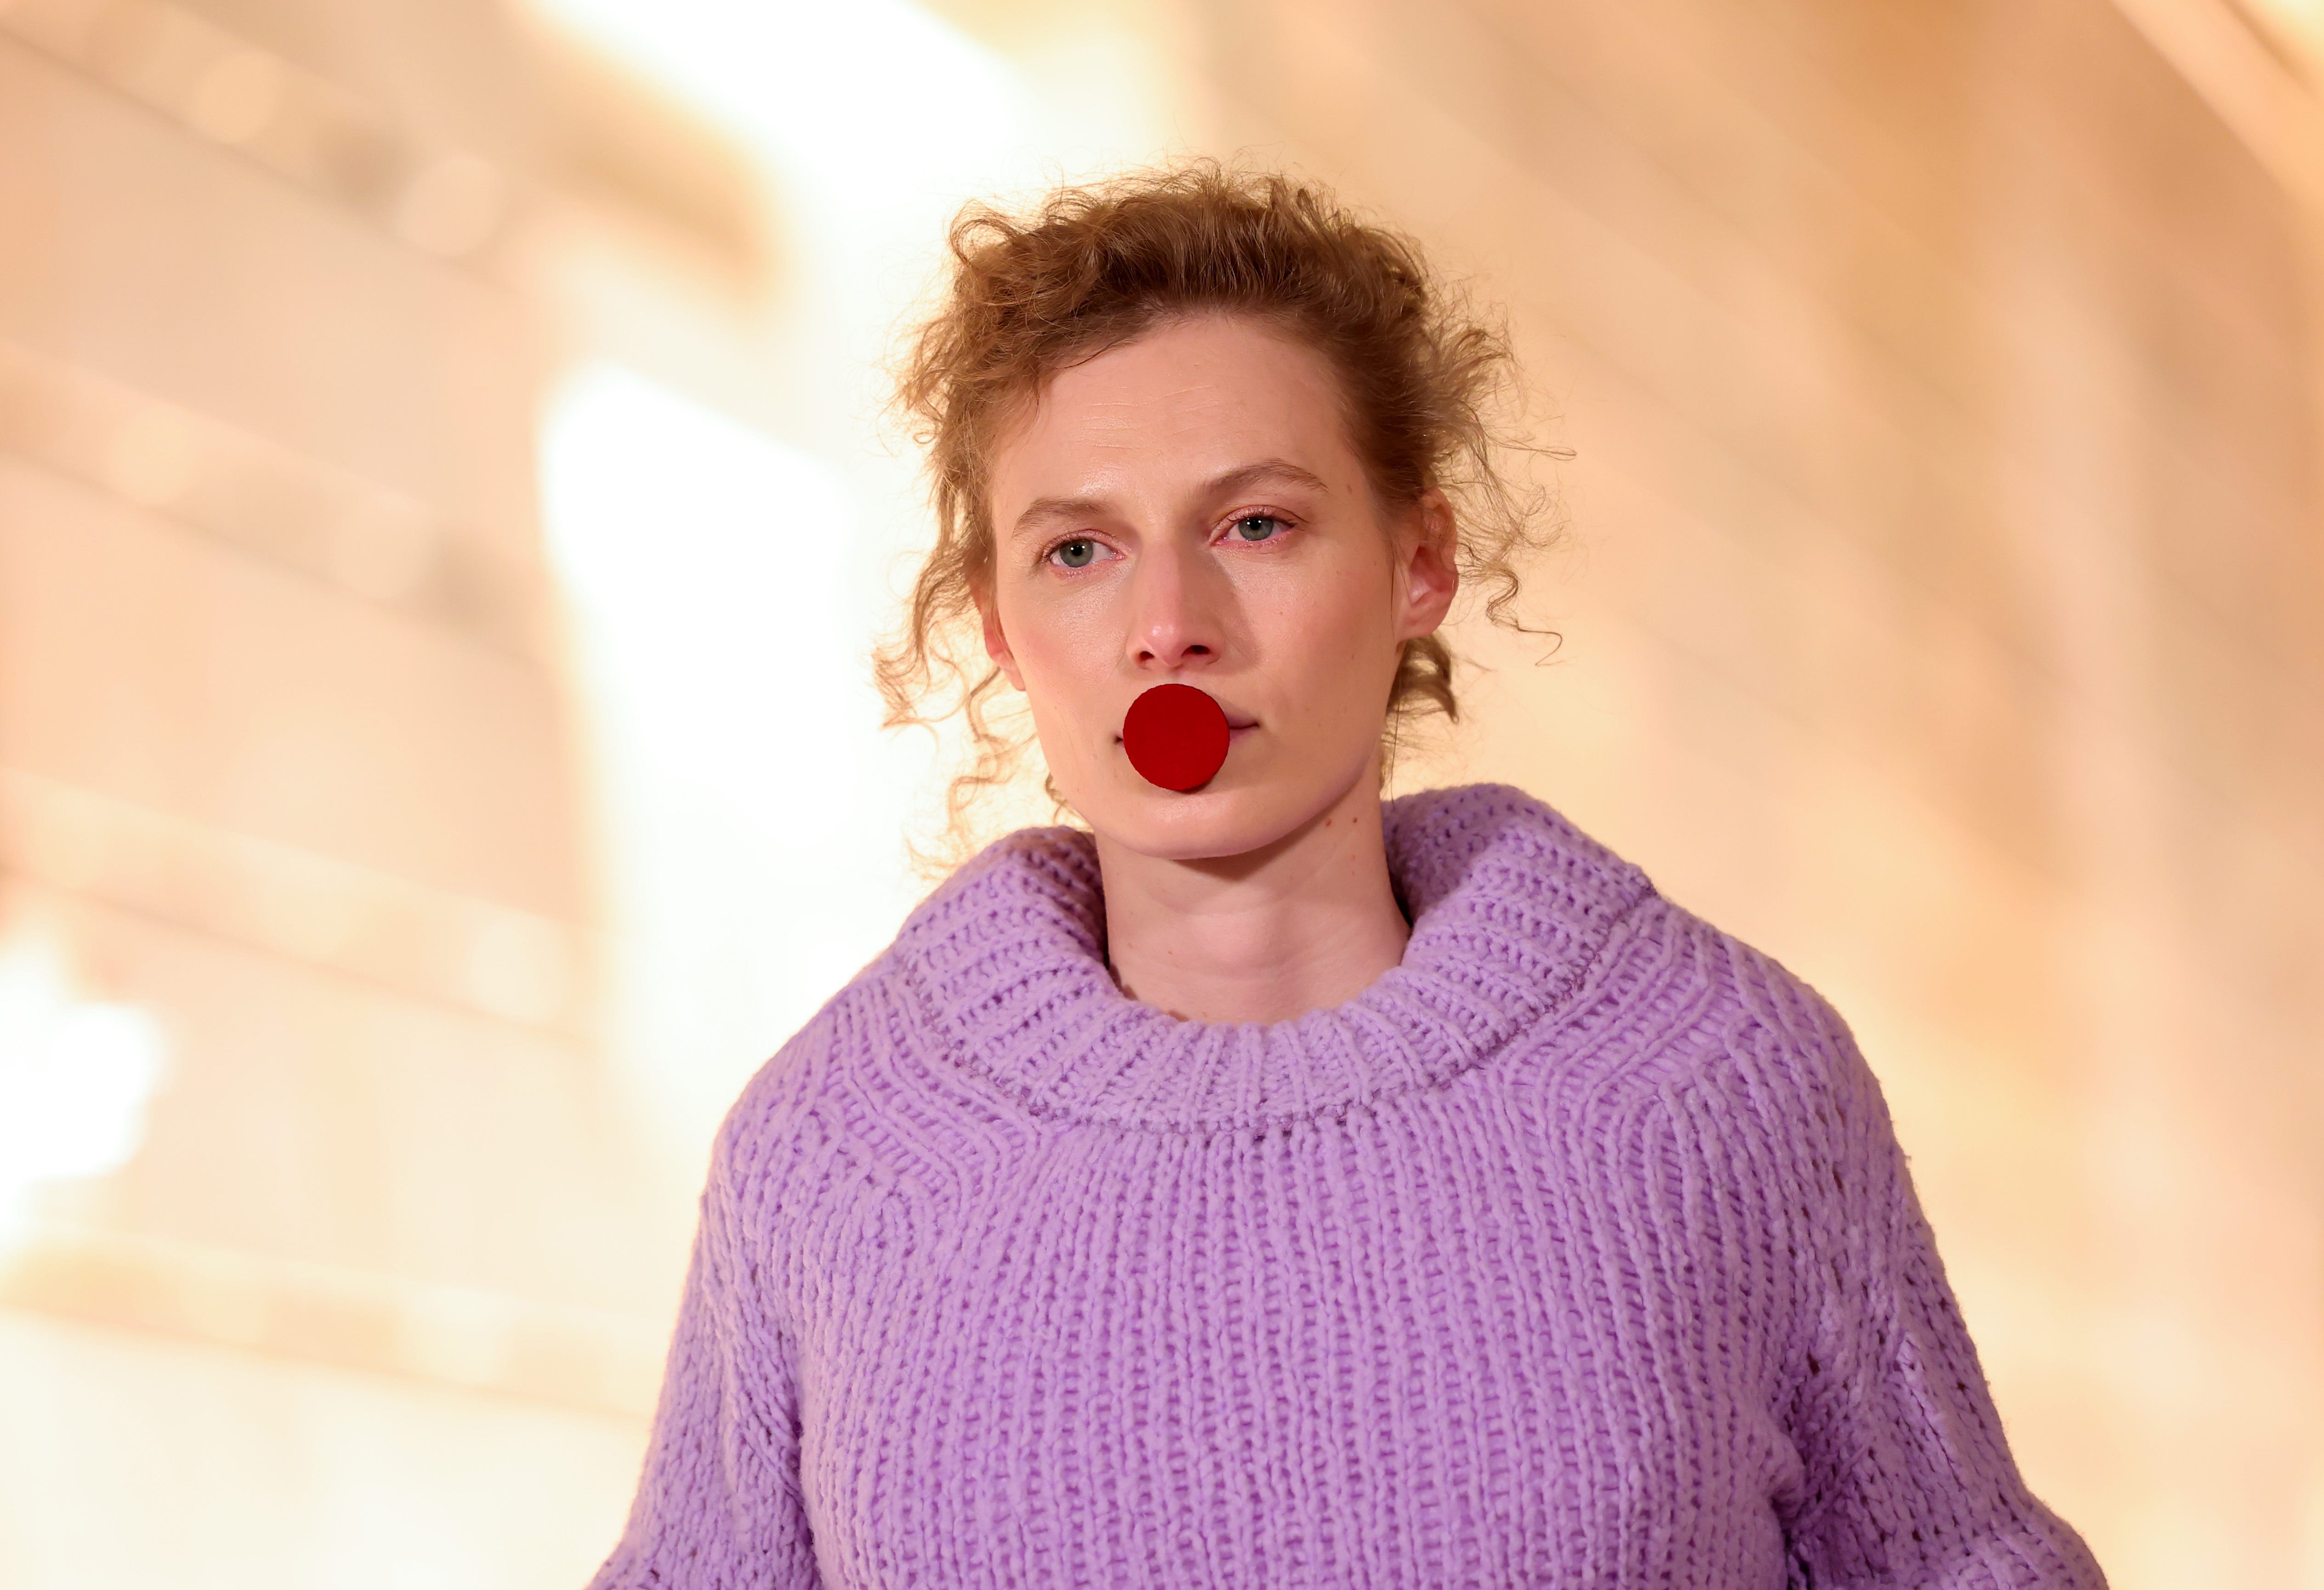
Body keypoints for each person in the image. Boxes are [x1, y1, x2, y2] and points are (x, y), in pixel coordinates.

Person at [585, 161, 2108, 1589]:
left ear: (1417, 560)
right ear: (996, 622)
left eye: (1255, 523)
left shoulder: (1717, 1086)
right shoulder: (833, 1152)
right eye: (1076, 550)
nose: (1167, 622)